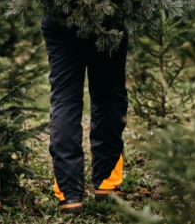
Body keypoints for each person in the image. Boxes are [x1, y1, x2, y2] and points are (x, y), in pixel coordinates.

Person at [41, 11, 129, 214]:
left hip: (60, 13)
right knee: (109, 97)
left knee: (65, 100)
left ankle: (69, 194)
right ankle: (108, 184)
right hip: (109, 14)